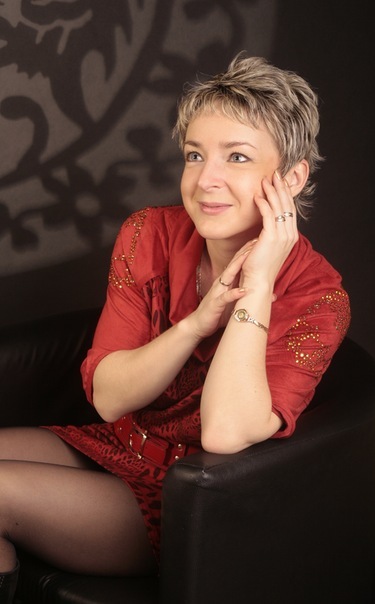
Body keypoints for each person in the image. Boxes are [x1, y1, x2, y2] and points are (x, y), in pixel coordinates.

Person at [0, 52, 350, 599]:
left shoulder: (319, 298)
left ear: (292, 177)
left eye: (237, 156)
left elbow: (224, 434)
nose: (206, 180)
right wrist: (194, 324)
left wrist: (257, 283)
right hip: (114, 444)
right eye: (194, 154)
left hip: (191, 500)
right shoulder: (151, 233)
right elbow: (110, 398)